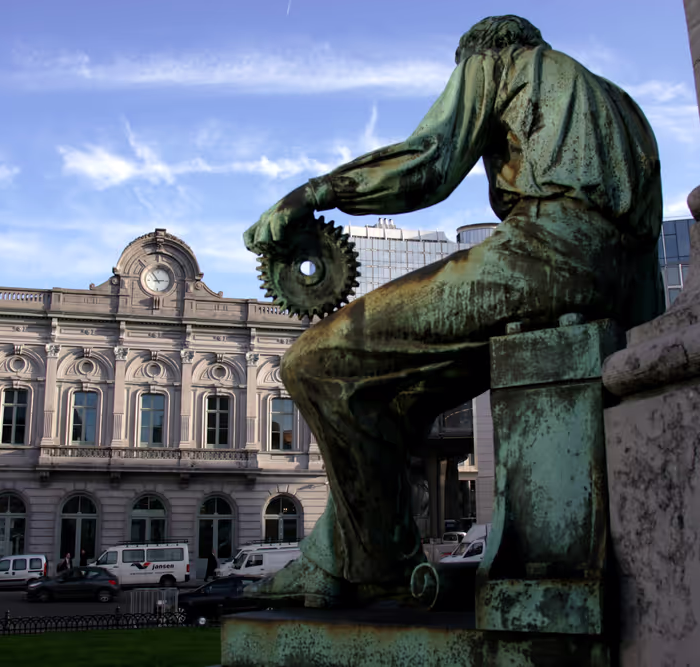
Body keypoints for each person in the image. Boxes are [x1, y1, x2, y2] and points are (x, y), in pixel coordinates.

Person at [243, 15, 663, 608]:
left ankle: (379, 568)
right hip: (615, 285)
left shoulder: (503, 63)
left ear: (479, 53)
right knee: (394, 398)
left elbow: (429, 161)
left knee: (315, 362)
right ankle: (333, 558)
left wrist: (314, 194)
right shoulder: (620, 103)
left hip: (544, 257)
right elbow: (643, 248)